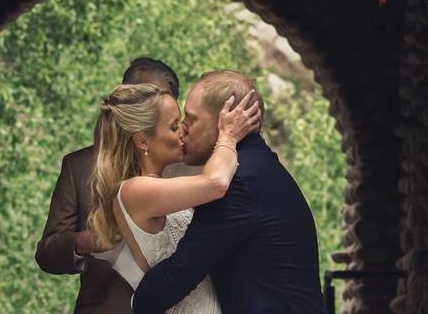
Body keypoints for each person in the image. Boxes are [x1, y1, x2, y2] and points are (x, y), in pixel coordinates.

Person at [132, 70, 327, 314]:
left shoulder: (239, 182)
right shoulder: (258, 166)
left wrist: (134, 302)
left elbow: (181, 271)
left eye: (191, 119)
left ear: (224, 122)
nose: (183, 128)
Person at [87, 82, 261, 314]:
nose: (183, 131)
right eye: (173, 126)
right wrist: (228, 136)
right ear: (143, 141)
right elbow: (216, 183)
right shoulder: (134, 191)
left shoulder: (165, 182)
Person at [35, 58, 180, 314]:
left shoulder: (188, 166)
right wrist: (86, 242)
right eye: (138, 97)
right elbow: (47, 253)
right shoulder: (79, 166)